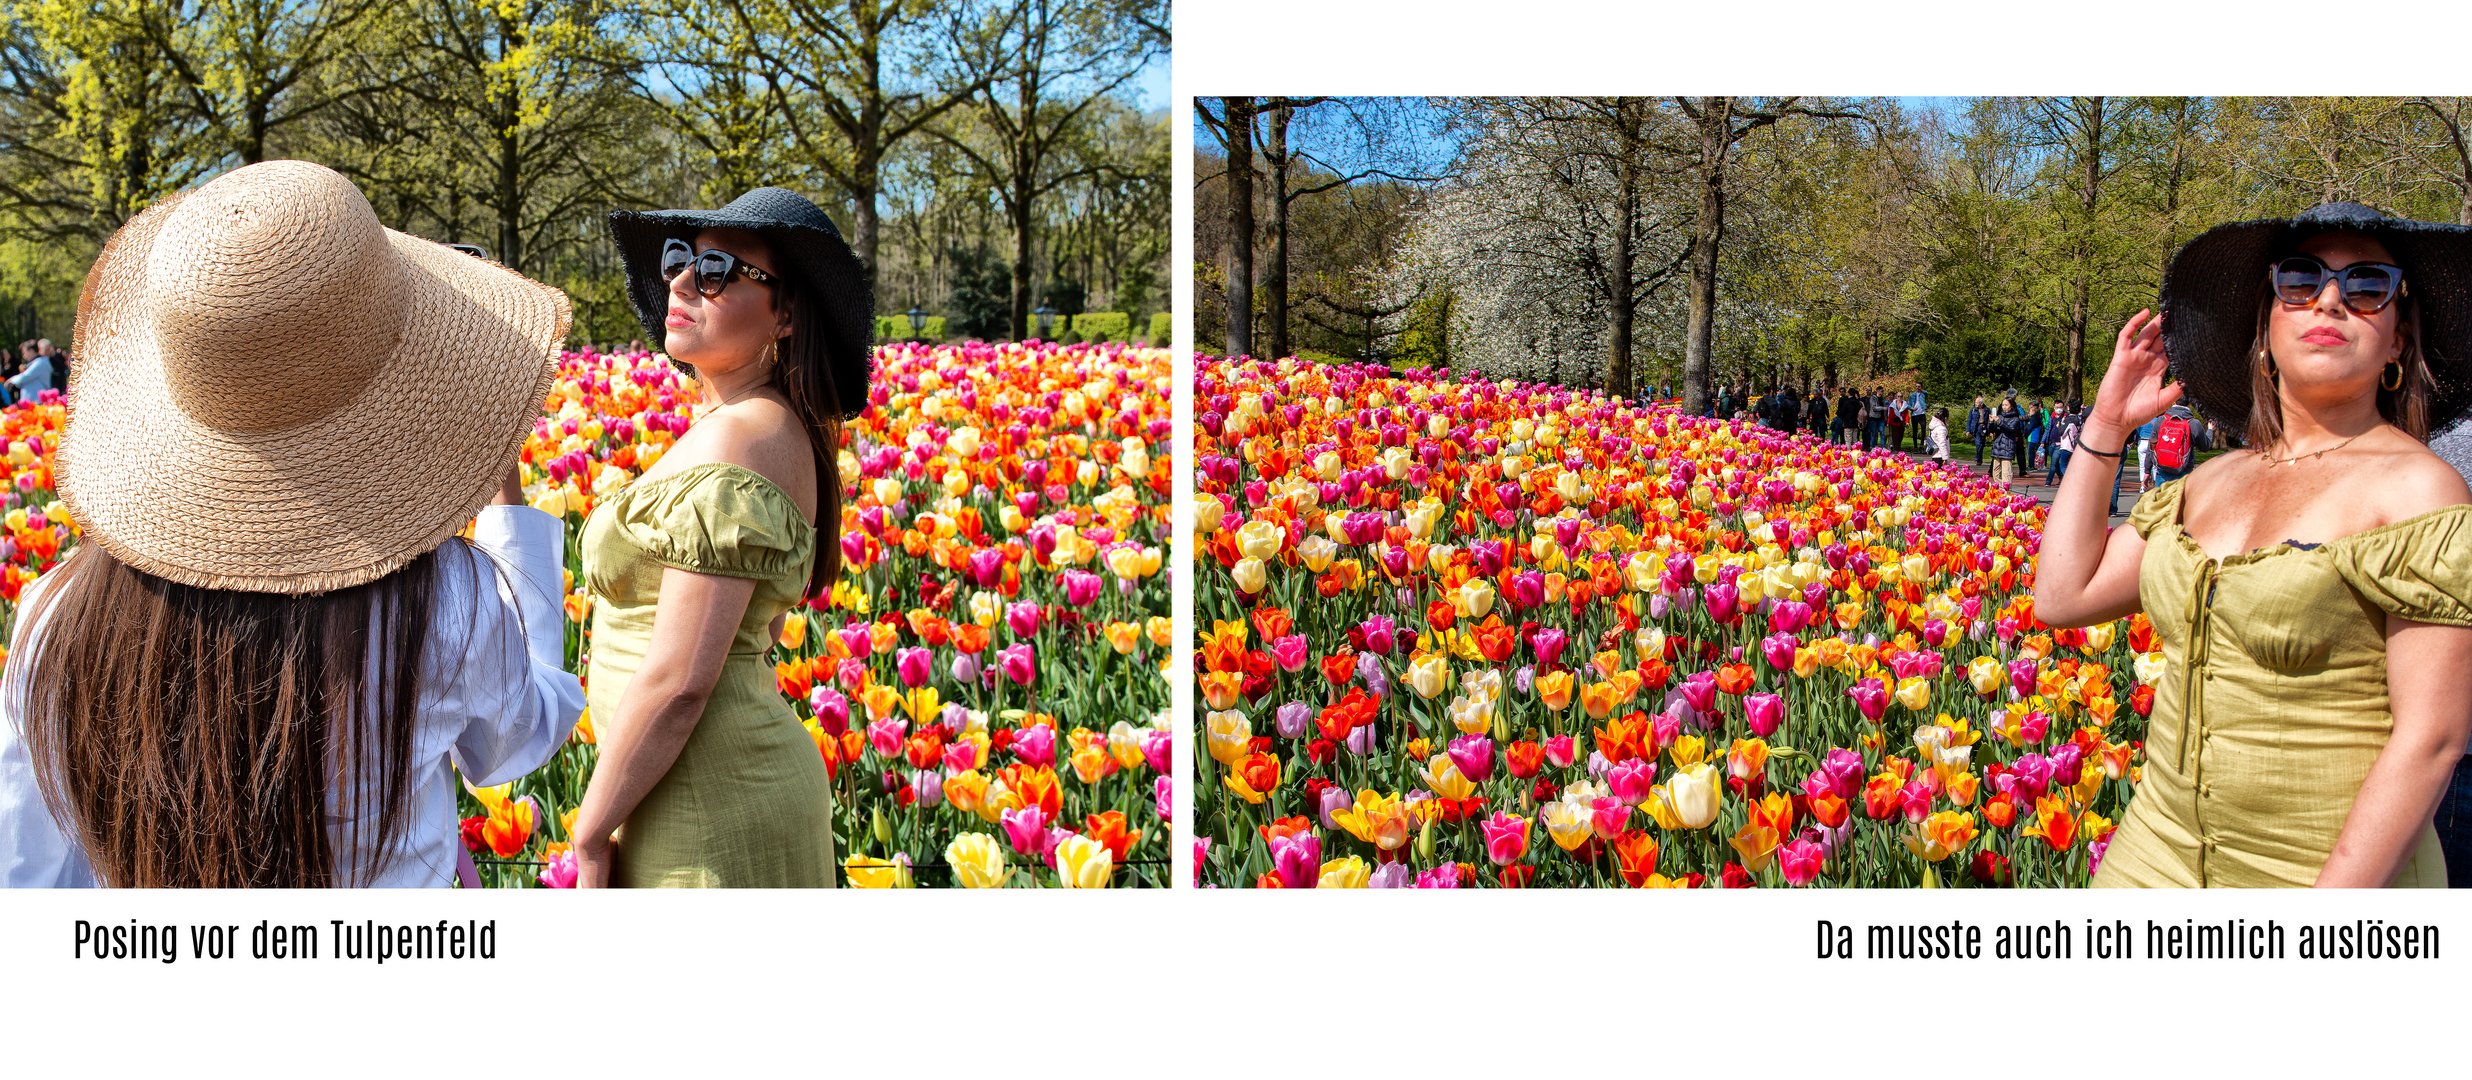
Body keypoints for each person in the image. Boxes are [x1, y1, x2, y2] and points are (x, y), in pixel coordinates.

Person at [0, 160, 582, 887]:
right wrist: (506, 499)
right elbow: (517, 743)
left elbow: (25, 867)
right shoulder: (446, 602)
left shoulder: (55, 615)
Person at [2036, 202, 2472, 888]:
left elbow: (2433, 740)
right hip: (2153, 854)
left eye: (2366, 287)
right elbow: (2063, 594)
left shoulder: (2420, 492)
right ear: (2265, 329)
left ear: (2397, 340)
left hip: (2325, 874)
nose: (2329, 299)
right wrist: (2109, 422)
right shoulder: (2206, 484)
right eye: (2300, 281)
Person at [575, 186, 871, 888]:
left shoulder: (744, 437)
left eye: (718, 272)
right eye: (680, 260)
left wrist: (588, 835)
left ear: (788, 312)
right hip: (680, 788)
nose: (680, 279)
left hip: (709, 806)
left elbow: (681, 681)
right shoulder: (749, 421)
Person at [1987, 391, 2022, 485]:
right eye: (2003, 405)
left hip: (2007, 448)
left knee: (2006, 474)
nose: (2004, 407)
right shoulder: (1999, 416)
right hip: (1997, 448)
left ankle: (2007, 492)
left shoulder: (2015, 418)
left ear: (2011, 406)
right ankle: (2000, 491)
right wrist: (1991, 422)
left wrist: (1999, 422)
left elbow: (2010, 429)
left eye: (2006, 405)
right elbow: (1992, 430)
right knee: (1995, 473)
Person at [2047, 403, 2083, 486]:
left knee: (2063, 465)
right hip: (2076, 445)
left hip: (2066, 446)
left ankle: (2070, 480)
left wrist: (2059, 426)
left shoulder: (2068, 420)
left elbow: (2061, 433)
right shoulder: (2079, 419)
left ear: (2069, 408)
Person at [1968, 395, 1989, 466]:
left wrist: (1990, 431)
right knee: (1978, 444)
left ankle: (1979, 459)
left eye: (1977, 403)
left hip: (1983, 428)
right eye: (1975, 402)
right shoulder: (1973, 410)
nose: (1976, 404)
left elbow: (1989, 421)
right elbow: (1969, 420)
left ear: (1981, 403)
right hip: (1976, 428)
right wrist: (1968, 430)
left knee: (1982, 444)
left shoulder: (1987, 410)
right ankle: (1978, 459)